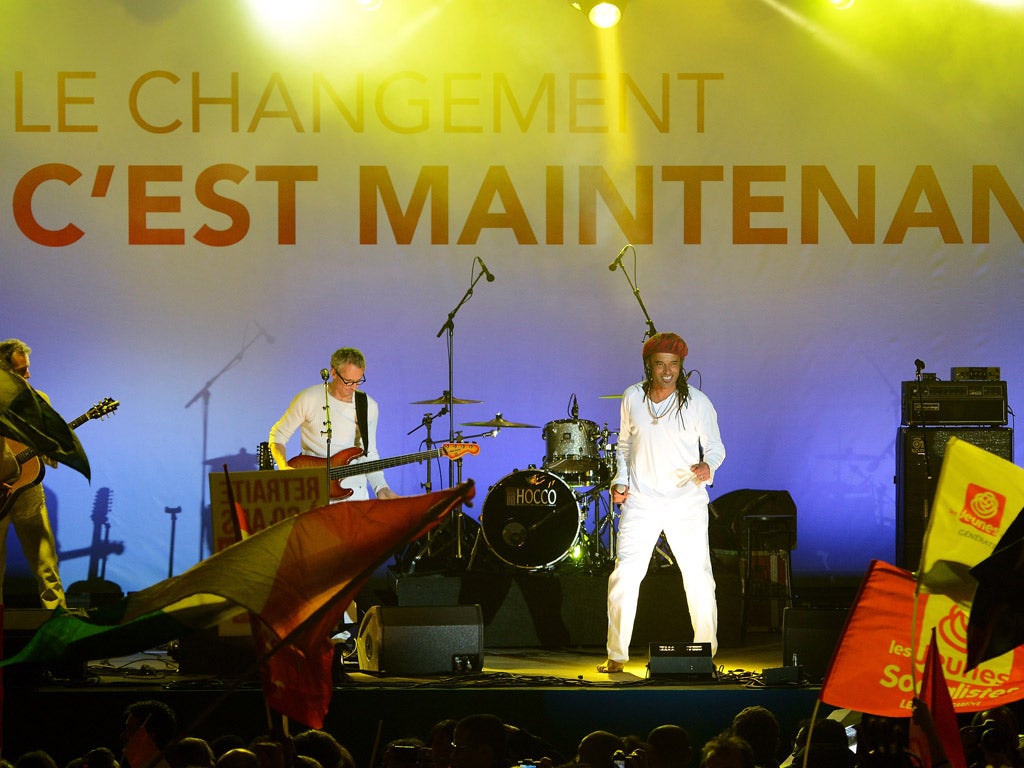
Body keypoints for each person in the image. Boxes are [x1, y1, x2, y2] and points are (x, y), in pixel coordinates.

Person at [599, 332, 726, 674]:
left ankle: (705, 653)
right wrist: (620, 480)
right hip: (641, 500)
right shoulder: (632, 398)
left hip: (685, 500)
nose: (667, 371)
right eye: (660, 365)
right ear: (649, 366)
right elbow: (624, 445)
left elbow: (715, 446)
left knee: (698, 576)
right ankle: (617, 654)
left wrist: (707, 466)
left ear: (681, 366)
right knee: (625, 575)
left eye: (673, 365)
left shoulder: (698, 402)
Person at [269, 347, 398, 502]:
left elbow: (369, 453)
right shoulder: (308, 398)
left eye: (358, 381)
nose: (354, 387)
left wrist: (381, 488)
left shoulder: (367, 405)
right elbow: (278, 436)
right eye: (348, 381)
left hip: (354, 494)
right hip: (314, 490)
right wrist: (285, 469)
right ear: (334, 373)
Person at [0, 338, 67, 609]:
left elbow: (51, 453)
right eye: (20, 371)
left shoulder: (40, 400)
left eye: (27, 368)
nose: (28, 375)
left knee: (47, 568)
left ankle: (59, 631)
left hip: (29, 493)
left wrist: (55, 447)